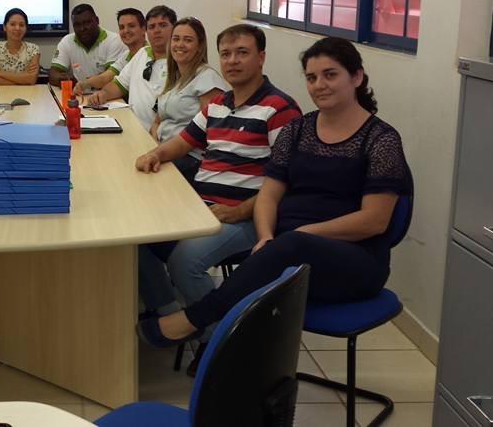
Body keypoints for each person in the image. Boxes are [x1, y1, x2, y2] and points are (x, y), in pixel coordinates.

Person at [137, 36, 412, 356]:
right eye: (311, 77)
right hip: (286, 249)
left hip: (352, 261)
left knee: (288, 245)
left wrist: (301, 235)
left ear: (357, 77)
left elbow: (374, 221)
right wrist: (266, 236)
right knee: (278, 246)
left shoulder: (381, 139)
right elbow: (269, 194)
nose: (319, 85)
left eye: (330, 74)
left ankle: (196, 323)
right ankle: (234, 350)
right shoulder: (299, 130)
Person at [135, 24, 300, 372]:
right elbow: (184, 141)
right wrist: (156, 154)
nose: (233, 61)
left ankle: (218, 344)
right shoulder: (217, 105)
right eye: (226, 54)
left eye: (242, 53)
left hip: (247, 217)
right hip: (203, 208)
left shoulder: (279, 108)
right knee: (137, 238)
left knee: (184, 262)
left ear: (261, 57)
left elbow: (288, 181)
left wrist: (239, 211)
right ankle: (173, 316)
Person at [150, 17, 228, 180]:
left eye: (188, 40)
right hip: (165, 149)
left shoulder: (207, 79)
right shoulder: (174, 80)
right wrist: (155, 146)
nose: (180, 44)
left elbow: (207, 133)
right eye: (176, 39)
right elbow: (157, 121)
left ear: (199, 47)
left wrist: (162, 151)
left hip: (191, 158)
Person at [86, 5, 178, 131]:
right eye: (151, 27)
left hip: (161, 135)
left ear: (174, 29)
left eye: (162, 25)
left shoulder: (180, 61)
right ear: (147, 30)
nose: (156, 30)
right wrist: (103, 94)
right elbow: (119, 85)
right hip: (132, 128)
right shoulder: (142, 53)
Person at [48, 4, 127, 88]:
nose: (82, 28)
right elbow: (53, 73)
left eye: (87, 23)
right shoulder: (67, 41)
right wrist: (61, 78)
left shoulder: (114, 40)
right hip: (78, 92)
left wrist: (86, 84)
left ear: (97, 21)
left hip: (106, 94)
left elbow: (111, 77)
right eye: (77, 25)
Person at [79, 8, 147, 93]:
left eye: (131, 26)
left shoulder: (150, 55)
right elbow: (104, 79)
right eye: (122, 27)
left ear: (143, 29)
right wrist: (83, 85)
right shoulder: (126, 56)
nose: (126, 31)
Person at [0, 8, 41, 85]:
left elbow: (31, 79)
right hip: (0, 92)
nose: (17, 28)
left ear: (26, 28)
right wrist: (22, 81)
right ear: (4, 27)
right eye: (12, 24)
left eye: (21, 25)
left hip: (25, 92)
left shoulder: (33, 50)